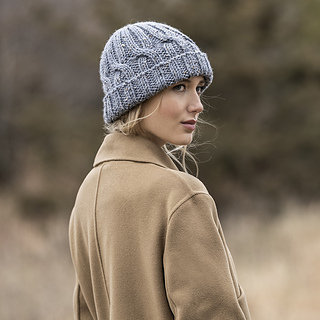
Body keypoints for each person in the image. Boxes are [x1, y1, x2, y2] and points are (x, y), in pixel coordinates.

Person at [69, 21, 251, 320]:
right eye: (179, 87)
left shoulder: (87, 195)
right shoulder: (178, 194)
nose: (197, 105)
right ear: (137, 97)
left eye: (199, 88)